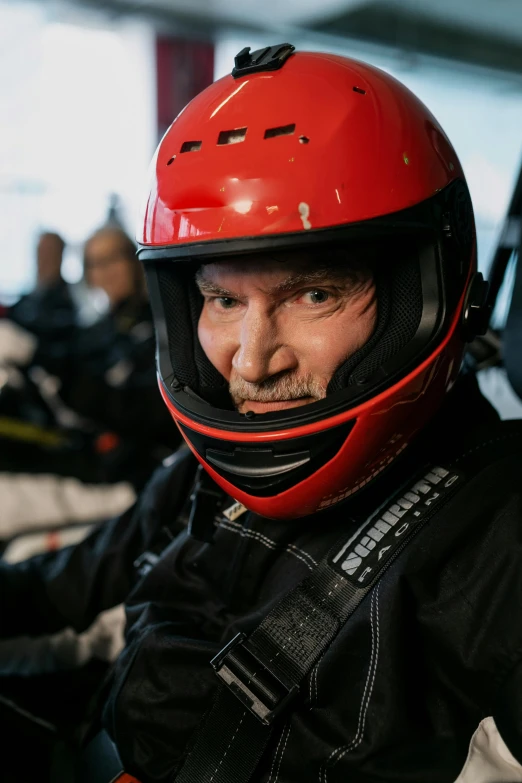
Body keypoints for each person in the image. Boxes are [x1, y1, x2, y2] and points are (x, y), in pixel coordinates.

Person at [2, 44, 522, 783]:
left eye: (314, 294)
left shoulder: (500, 544)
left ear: (423, 295)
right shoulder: (196, 481)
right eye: (223, 300)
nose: (250, 362)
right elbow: (62, 588)